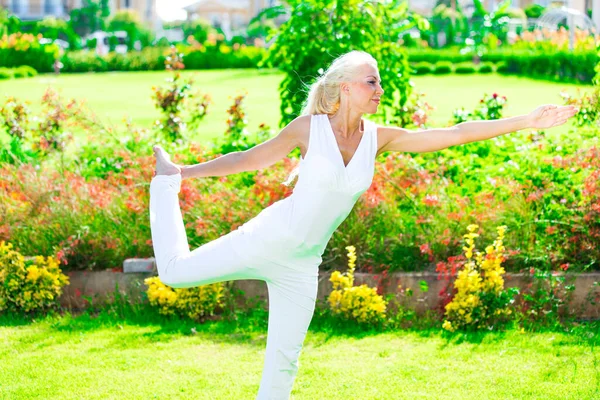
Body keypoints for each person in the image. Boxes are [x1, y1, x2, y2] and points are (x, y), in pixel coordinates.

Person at [149, 50, 577, 399]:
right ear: (344, 88)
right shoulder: (308, 129)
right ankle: (164, 183)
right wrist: (183, 172)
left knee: (284, 361)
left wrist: (526, 120)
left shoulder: (380, 137)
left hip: (301, 264)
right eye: (371, 81)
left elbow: (457, 132)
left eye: (379, 81)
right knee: (174, 272)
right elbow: (247, 160)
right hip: (267, 239)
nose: (379, 88)